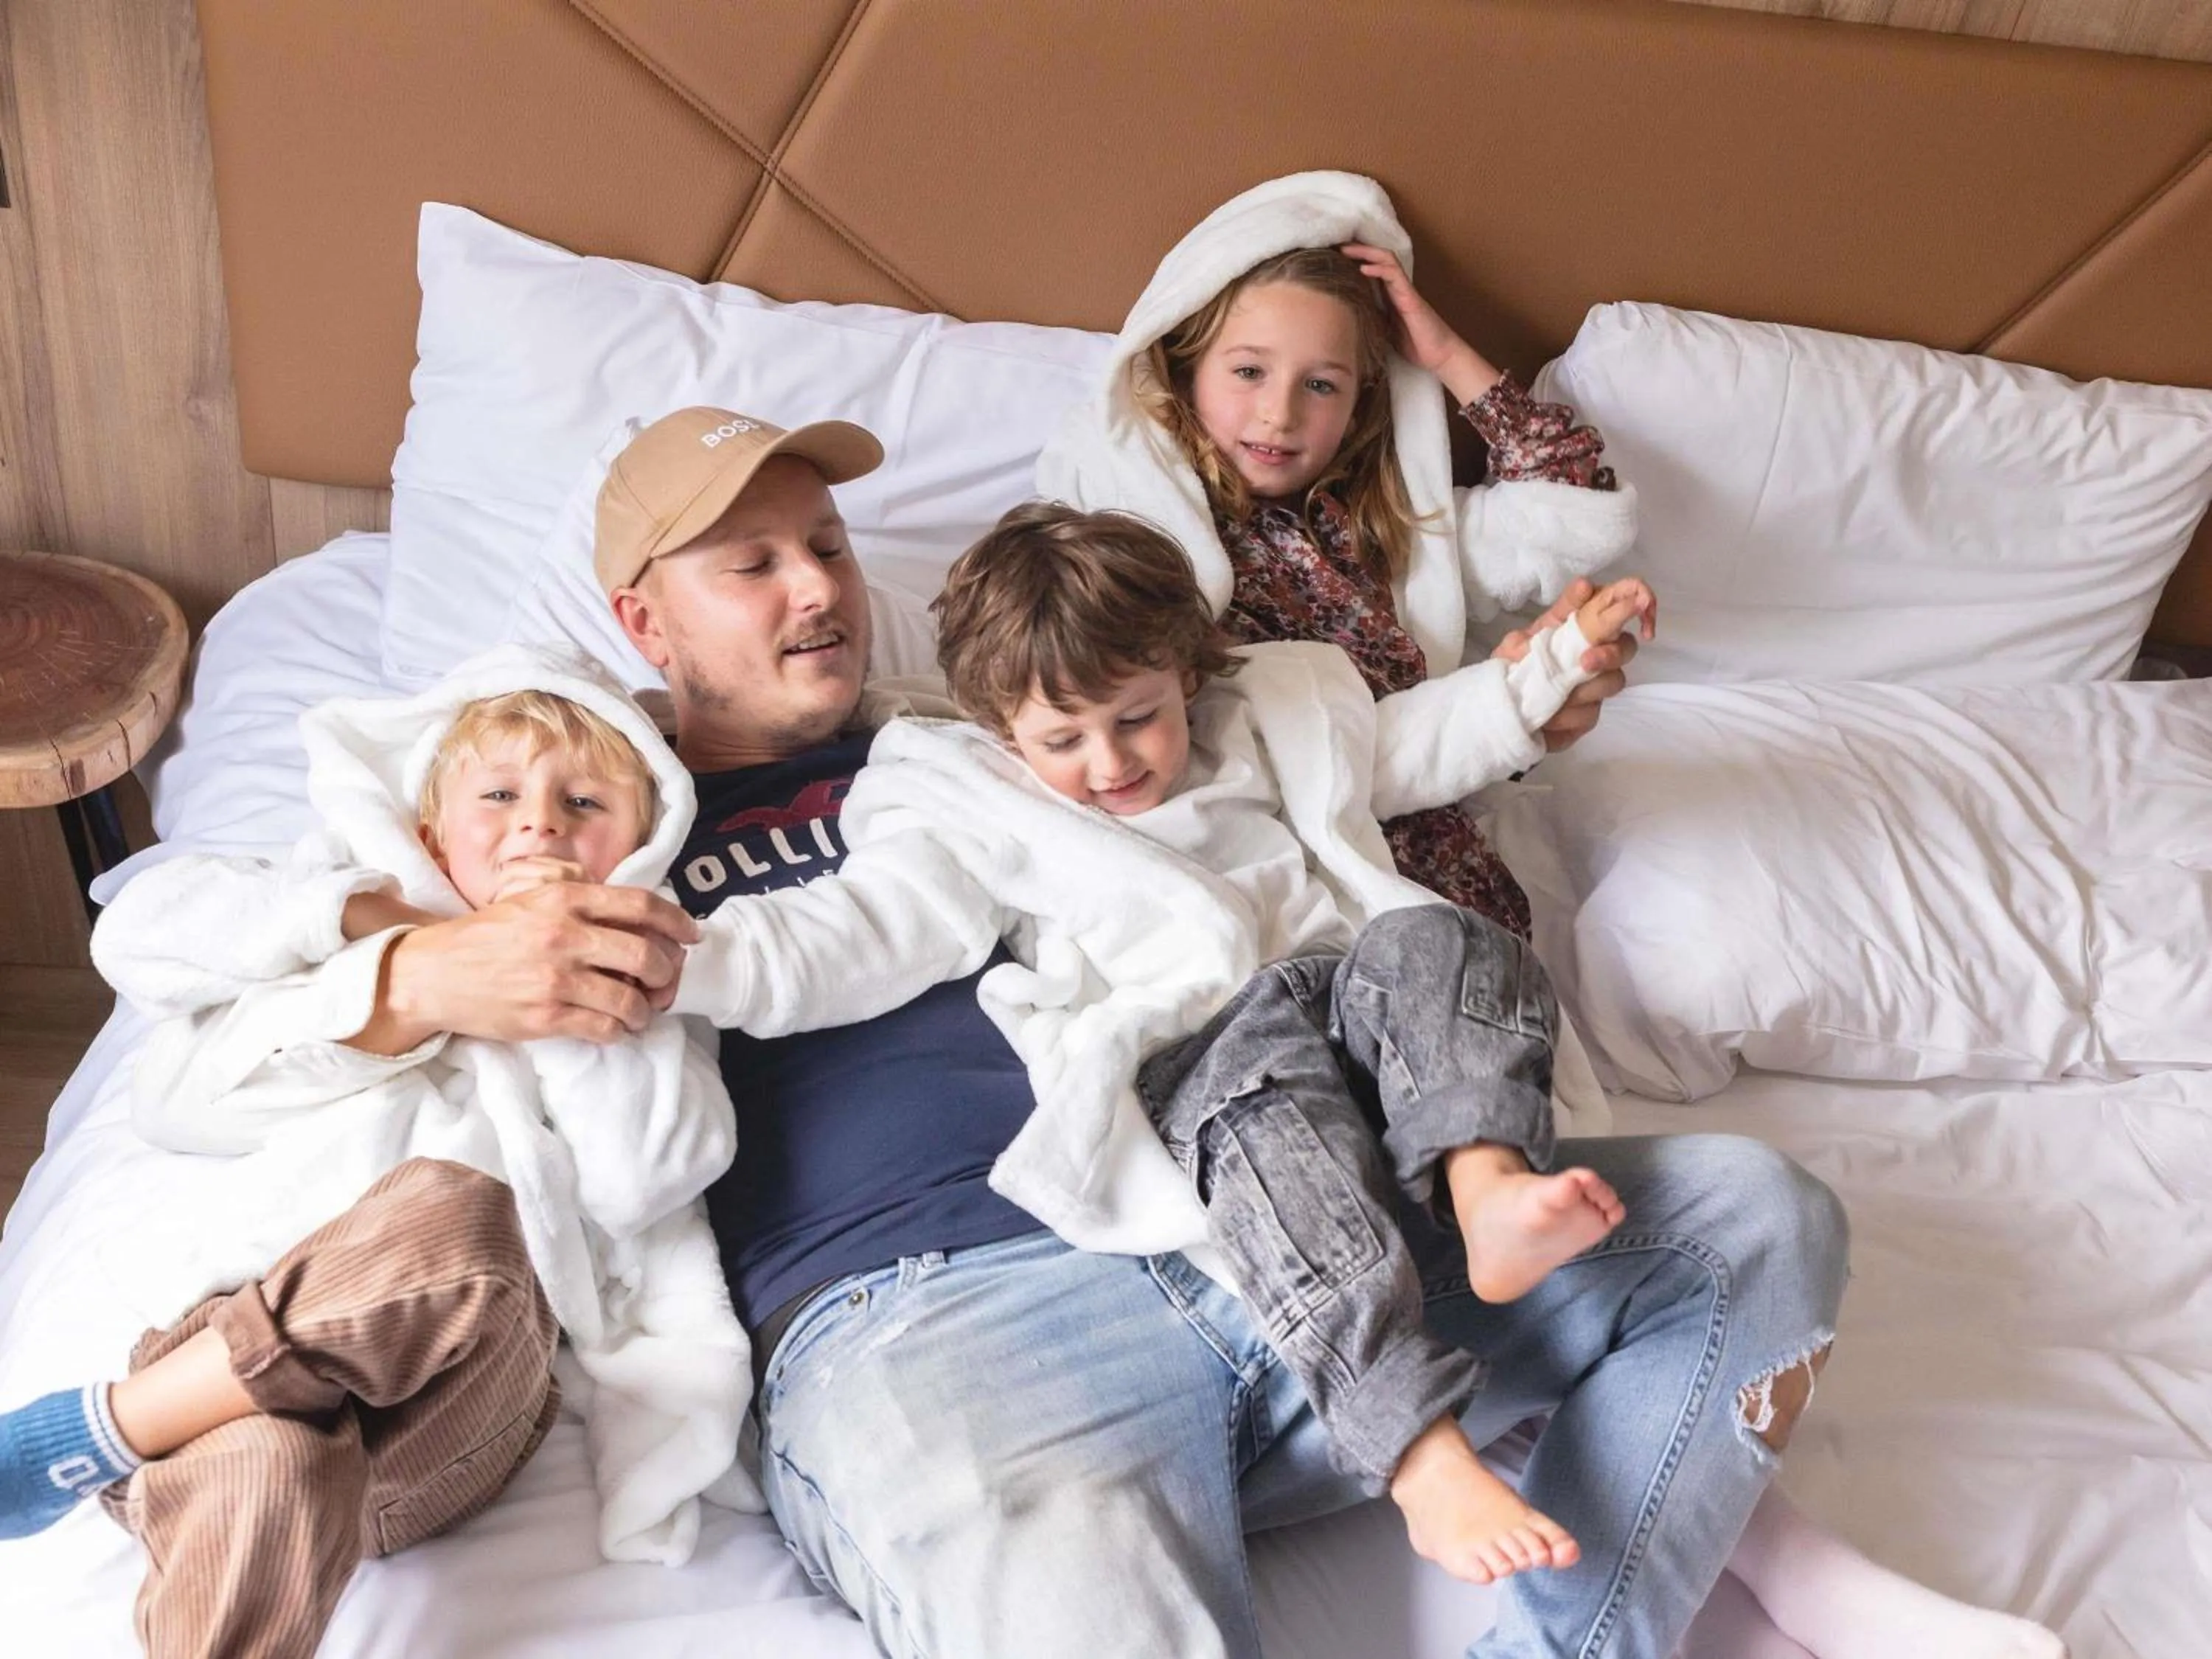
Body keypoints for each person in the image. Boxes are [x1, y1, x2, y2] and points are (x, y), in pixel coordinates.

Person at [1042, 170, 2070, 1659]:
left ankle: (1769, 1553)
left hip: (1428, 900)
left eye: (1328, 384)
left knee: (1550, 1201)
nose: (1281, 412)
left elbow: (1586, 513)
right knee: (1379, 1180)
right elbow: (1175, 736)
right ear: (1179, 367)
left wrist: (1442, 358)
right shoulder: (1128, 560)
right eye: (1249, 371)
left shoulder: (1396, 532)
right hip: (1282, 905)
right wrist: (1514, 701)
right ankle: (1784, 1562)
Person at [671, 498, 1656, 1584]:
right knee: (1284, 1166)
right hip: (1209, 1052)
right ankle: (1419, 1452)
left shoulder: (1268, 715)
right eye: (1063, 741)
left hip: (1350, 1002)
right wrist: (693, 959)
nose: (1109, 762)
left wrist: (1549, 669)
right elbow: (871, 924)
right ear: (1002, 732)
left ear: (1186, 672)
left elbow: (1413, 742)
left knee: (1445, 941)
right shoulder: (982, 802)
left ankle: (1487, 1186)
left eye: (1137, 717)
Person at [0, 649, 748, 1656]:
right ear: (431, 832)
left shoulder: (646, 1004)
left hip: (450, 1413)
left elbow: (647, 1181)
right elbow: (166, 1019)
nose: (540, 823)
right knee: (267, 1467)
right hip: (231, 1359)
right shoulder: (341, 951)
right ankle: (157, 1427)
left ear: (644, 843)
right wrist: (381, 935)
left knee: (461, 1214)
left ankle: (106, 1428)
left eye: (584, 802)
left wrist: (569, 996)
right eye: (499, 794)